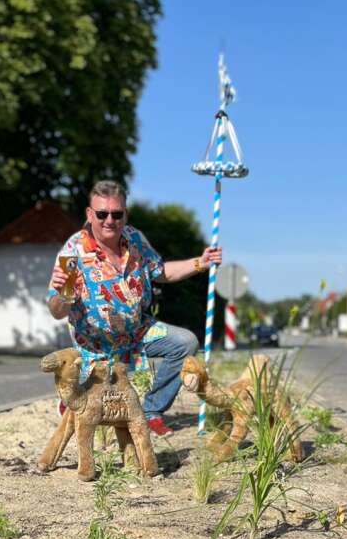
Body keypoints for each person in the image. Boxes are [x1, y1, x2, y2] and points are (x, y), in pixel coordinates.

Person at [47, 179, 223, 436]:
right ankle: (79, 398)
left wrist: (200, 262)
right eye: (102, 214)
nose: (110, 220)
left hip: (138, 334)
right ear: (89, 214)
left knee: (185, 342)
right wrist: (65, 295)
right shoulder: (73, 252)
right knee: (84, 412)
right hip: (95, 348)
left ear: (125, 214)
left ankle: (151, 411)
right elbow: (56, 311)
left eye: (117, 214)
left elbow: (161, 272)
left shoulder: (134, 239)